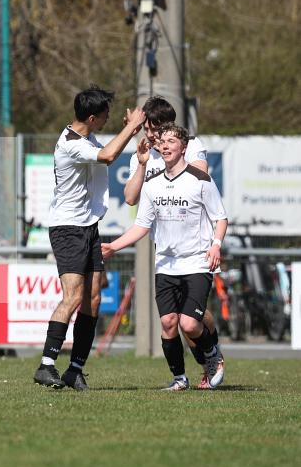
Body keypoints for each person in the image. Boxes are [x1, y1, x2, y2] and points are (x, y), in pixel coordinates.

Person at [34, 85, 145, 390]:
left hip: (88, 226)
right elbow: (108, 156)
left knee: (92, 299)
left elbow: (105, 150)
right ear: (93, 118)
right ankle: (46, 366)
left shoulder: (86, 137)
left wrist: (126, 133)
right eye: (106, 114)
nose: (109, 119)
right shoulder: (70, 143)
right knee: (72, 297)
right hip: (67, 228)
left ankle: (75, 369)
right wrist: (133, 128)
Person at [102, 124, 228, 390]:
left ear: (184, 147)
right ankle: (180, 379)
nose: (167, 145)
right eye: (164, 142)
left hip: (196, 261)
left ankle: (212, 355)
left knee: (190, 324)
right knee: (169, 323)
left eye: (173, 141)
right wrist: (113, 246)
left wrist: (215, 245)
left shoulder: (200, 179)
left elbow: (220, 218)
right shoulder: (152, 184)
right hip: (166, 265)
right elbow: (141, 226)